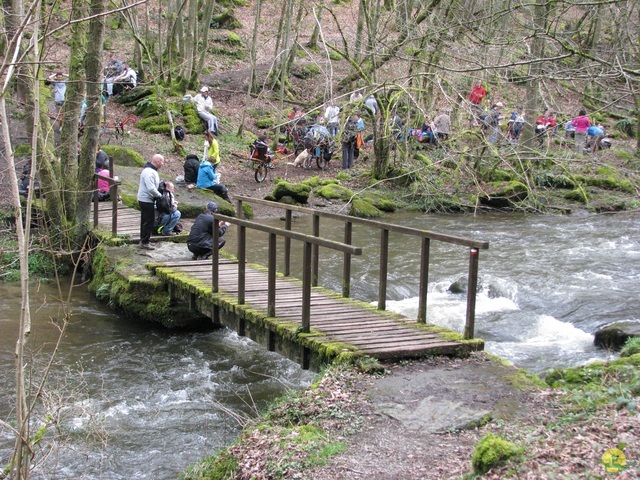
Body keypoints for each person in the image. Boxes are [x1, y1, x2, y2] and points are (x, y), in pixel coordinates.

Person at [136, 153, 165, 250]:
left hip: (147, 199)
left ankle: (143, 240)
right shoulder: (149, 172)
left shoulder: (152, 171)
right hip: (146, 199)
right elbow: (151, 188)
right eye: (162, 161)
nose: (163, 164)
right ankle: (145, 242)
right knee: (148, 221)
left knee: (145, 220)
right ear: (158, 161)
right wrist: (160, 196)